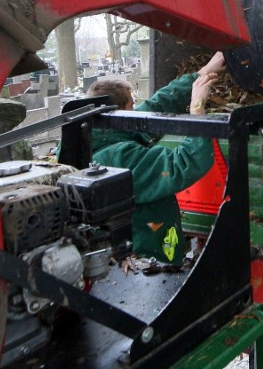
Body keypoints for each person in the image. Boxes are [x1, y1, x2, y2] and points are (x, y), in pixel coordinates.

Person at [86, 52, 225, 265]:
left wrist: (202, 73)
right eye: (132, 105)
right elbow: (184, 163)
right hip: (148, 255)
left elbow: (156, 106)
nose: (136, 109)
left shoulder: (98, 131)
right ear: (118, 112)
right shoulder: (118, 158)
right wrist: (197, 107)